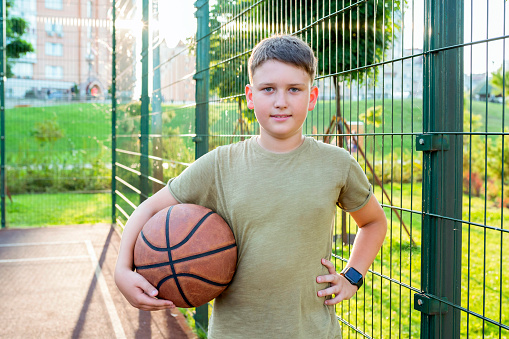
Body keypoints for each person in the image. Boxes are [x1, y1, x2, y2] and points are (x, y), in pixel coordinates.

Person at [115, 35, 387, 338]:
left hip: (312, 331)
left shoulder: (336, 164)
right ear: (250, 95)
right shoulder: (220, 164)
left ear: (312, 97)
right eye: (268, 89)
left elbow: (374, 222)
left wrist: (352, 277)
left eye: (294, 89)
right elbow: (150, 208)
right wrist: (122, 271)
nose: (280, 101)